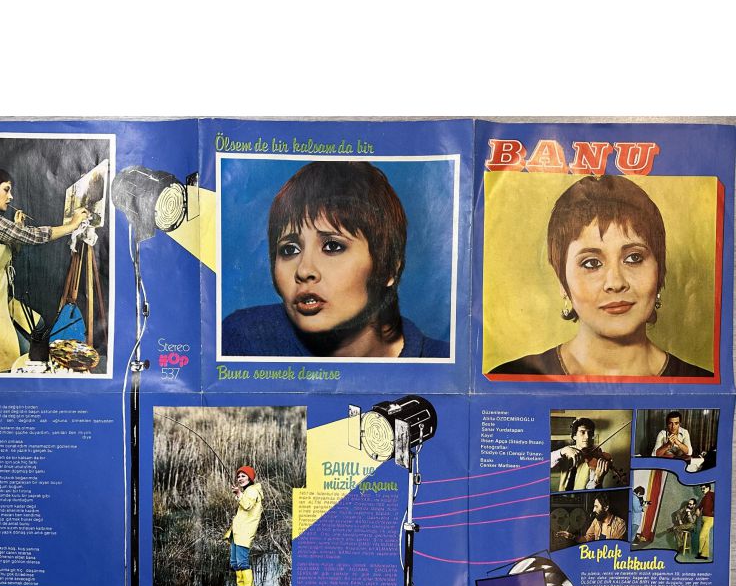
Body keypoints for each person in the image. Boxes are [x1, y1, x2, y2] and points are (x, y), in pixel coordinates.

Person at [490, 175, 713, 377]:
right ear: (562, 281)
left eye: (634, 258)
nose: (616, 283)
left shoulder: (701, 382)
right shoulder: (509, 378)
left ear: (659, 269)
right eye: (591, 263)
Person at [221, 161, 449, 358]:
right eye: (289, 250)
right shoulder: (244, 340)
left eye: (332, 246)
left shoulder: (443, 362)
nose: (304, 270)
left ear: (389, 268)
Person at [0, 165, 89, 373]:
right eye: (6, 189)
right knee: (15, 358)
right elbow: (31, 236)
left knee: (39, 324)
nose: (11, 197)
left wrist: (16, 228)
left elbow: (8, 253)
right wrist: (72, 226)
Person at [223, 465, 263, 586]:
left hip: (244, 533)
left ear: (250, 478)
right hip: (237, 532)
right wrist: (239, 494)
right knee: (235, 563)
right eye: (238, 476)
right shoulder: (247, 491)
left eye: (243, 476)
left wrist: (239, 494)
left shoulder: (252, 490)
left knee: (242, 562)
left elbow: (247, 505)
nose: (240, 478)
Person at [550, 417, 610, 490]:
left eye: (590, 433)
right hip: (562, 494)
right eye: (582, 432)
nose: (587, 437)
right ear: (574, 436)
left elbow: (590, 489)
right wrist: (562, 451)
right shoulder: (567, 450)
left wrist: (598, 479)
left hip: (581, 496)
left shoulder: (594, 458)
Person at [695, 483, 714, 560]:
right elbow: (700, 506)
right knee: (706, 537)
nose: (702, 490)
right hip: (704, 518)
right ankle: (704, 555)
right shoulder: (704, 497)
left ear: (708, 487)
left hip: (710, 518)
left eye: (703, 488)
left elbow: (718, 504)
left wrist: (713, 512)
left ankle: (699, 552)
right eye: (701, 489)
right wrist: (698, 509)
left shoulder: (712, 494)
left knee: (702, 536)